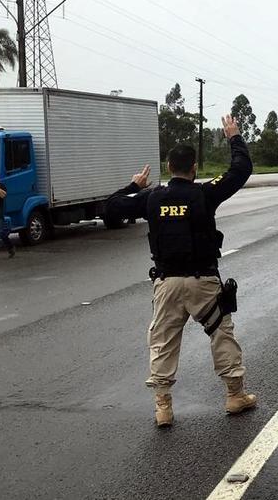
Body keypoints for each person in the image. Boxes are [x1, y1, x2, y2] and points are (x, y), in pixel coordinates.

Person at [105, 115, 256, 427]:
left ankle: (163, 407)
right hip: (203, 282)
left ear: (168, 167)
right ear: (194, 168)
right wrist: (234, 138)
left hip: (167, 283)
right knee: (221, 334)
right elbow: (240, 171)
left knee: (162, 341)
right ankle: (234, 395)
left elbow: (112, 206)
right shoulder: (203, 193)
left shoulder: (152, 197)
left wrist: (135, 184)